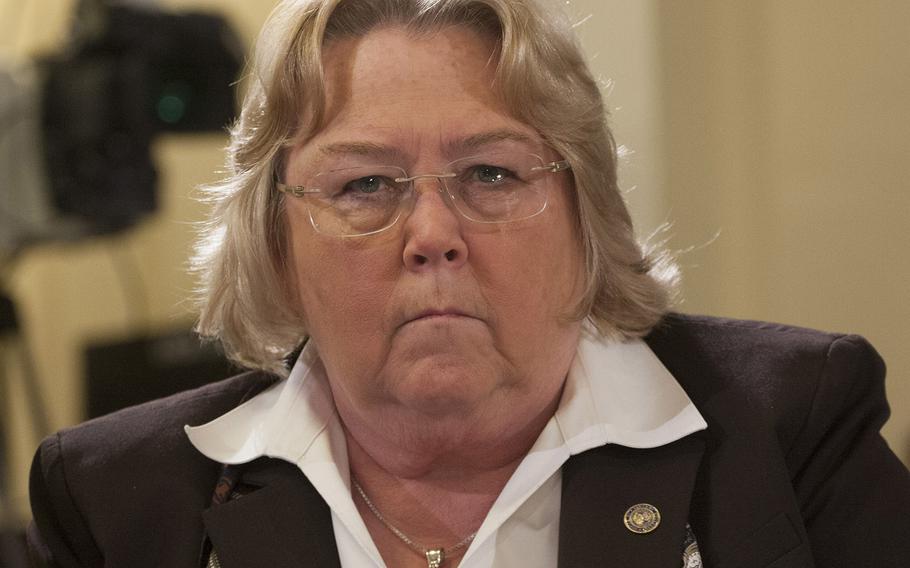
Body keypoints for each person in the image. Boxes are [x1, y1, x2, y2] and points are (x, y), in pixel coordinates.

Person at [27, 0, 910, 566]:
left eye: (491, 173)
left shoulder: (789, 434)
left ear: (584, 206)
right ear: (276, 235)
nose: (433, 236)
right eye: (364, 184)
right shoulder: (117, 504)